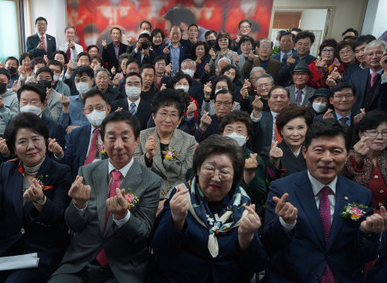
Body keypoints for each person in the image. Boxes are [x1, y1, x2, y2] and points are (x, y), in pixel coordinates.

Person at [263, 119, 386, 282]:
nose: (327, 158)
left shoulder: (360, 195)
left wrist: (367, 233)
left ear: (347, 154)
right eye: (319, 150)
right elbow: (269, 245)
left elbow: (366, 255)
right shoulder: (282, 189)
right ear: (305, 152)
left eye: (336, 151)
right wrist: (286, 224)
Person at [49, 111, 162, 283]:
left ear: (137, 140)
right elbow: (72, 224)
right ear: (102, 140)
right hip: (81, 263)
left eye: (125, 138)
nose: (118, 145)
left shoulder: (151, 181)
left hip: (121, 267)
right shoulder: (86, 171)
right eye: (111, 138)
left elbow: (143, 233)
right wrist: (79, 205)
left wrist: (123, 216)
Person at [152, 134, 266, 282]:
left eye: (224, 172)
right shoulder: (181, 195)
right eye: (210, 168)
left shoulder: (243, 207)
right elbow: (160, 251)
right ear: (198, 170)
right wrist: (176, 220)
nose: (216, 177)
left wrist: (246, 238)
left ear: (234, 176)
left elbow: (256, 265)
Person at [0, 112, 72, 282]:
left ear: (45, 140)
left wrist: (41, 201)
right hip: (3, 248)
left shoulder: (60, 172)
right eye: (22, 142)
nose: (31, 146)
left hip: (39, 251)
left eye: (36, 139)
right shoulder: (6, 169)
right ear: (13, 147)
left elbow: (60, 218)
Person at [134, 89, 197, 201]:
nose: (168, 120)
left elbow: (185, 173)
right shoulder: (141, 137)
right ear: (153, 115)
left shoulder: (189, 141)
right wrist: (148, 157)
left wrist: (167, 201)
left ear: (179, 119)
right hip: (146, 194)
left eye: (173, 115)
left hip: (176, 196)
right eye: (163, 113)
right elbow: (134, 170)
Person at [51, 90, 110, 177]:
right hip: (80, 181)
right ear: (84, 112)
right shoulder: (77, 134)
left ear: (108, 109)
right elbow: (67, 162)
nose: (95, 112)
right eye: (90, 109)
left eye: (99, 107)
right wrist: (59, 154)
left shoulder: (116, 134)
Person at [342, 109, 387, 212]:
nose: (379, 137)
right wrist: (357, 159)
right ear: (361, 134)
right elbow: (340, 178)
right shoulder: (348, 155)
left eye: (385, 133)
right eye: (373, 132)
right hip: (357, 217)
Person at [263, 105, 312, 181]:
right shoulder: (268, 152)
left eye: (300, 128)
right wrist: (275, 162)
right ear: (281, 130)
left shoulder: (314, 151)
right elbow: (268, 184)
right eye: (290, 128)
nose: (295, 133)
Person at [349, 40, 386, 114]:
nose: (374, 57)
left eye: (379, 53)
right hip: (358, 120)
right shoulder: (356, 75)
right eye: (370, 54)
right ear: (365, 57)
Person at [250, 86, 291, 153]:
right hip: (264, 157)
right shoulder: (259, 116)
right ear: (268, 101)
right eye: (275, 97)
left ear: (289, 101)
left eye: (282, 97)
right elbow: (251, 134)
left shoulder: (294, 118)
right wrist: (257, 111)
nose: (279, 99)